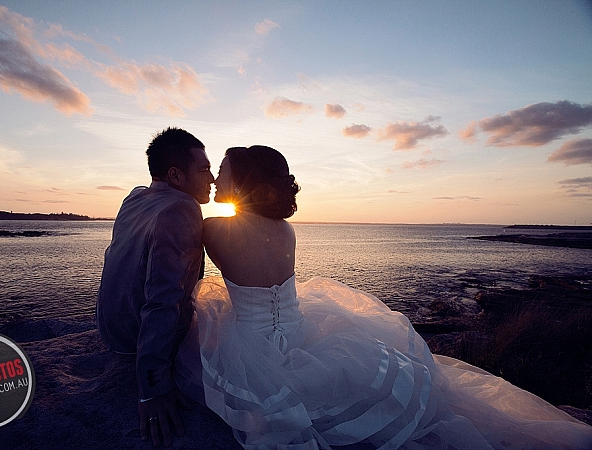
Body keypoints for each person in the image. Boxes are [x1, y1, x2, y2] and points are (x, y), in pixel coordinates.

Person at [177, 145, 592, 449]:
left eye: (223, 171)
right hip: (299, 331)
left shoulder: (213, 228)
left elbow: (196, 275)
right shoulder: (285, 230)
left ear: (242, 180)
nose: (215, 179)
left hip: (254, 347)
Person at [96, 127, 213, 447]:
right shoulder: (182, 208)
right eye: (204, 170)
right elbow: (162, 300)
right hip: (138, 340)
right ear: (176, 175)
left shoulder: (134, 197)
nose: (213, 178)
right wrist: (153, 388)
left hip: (112, 331)